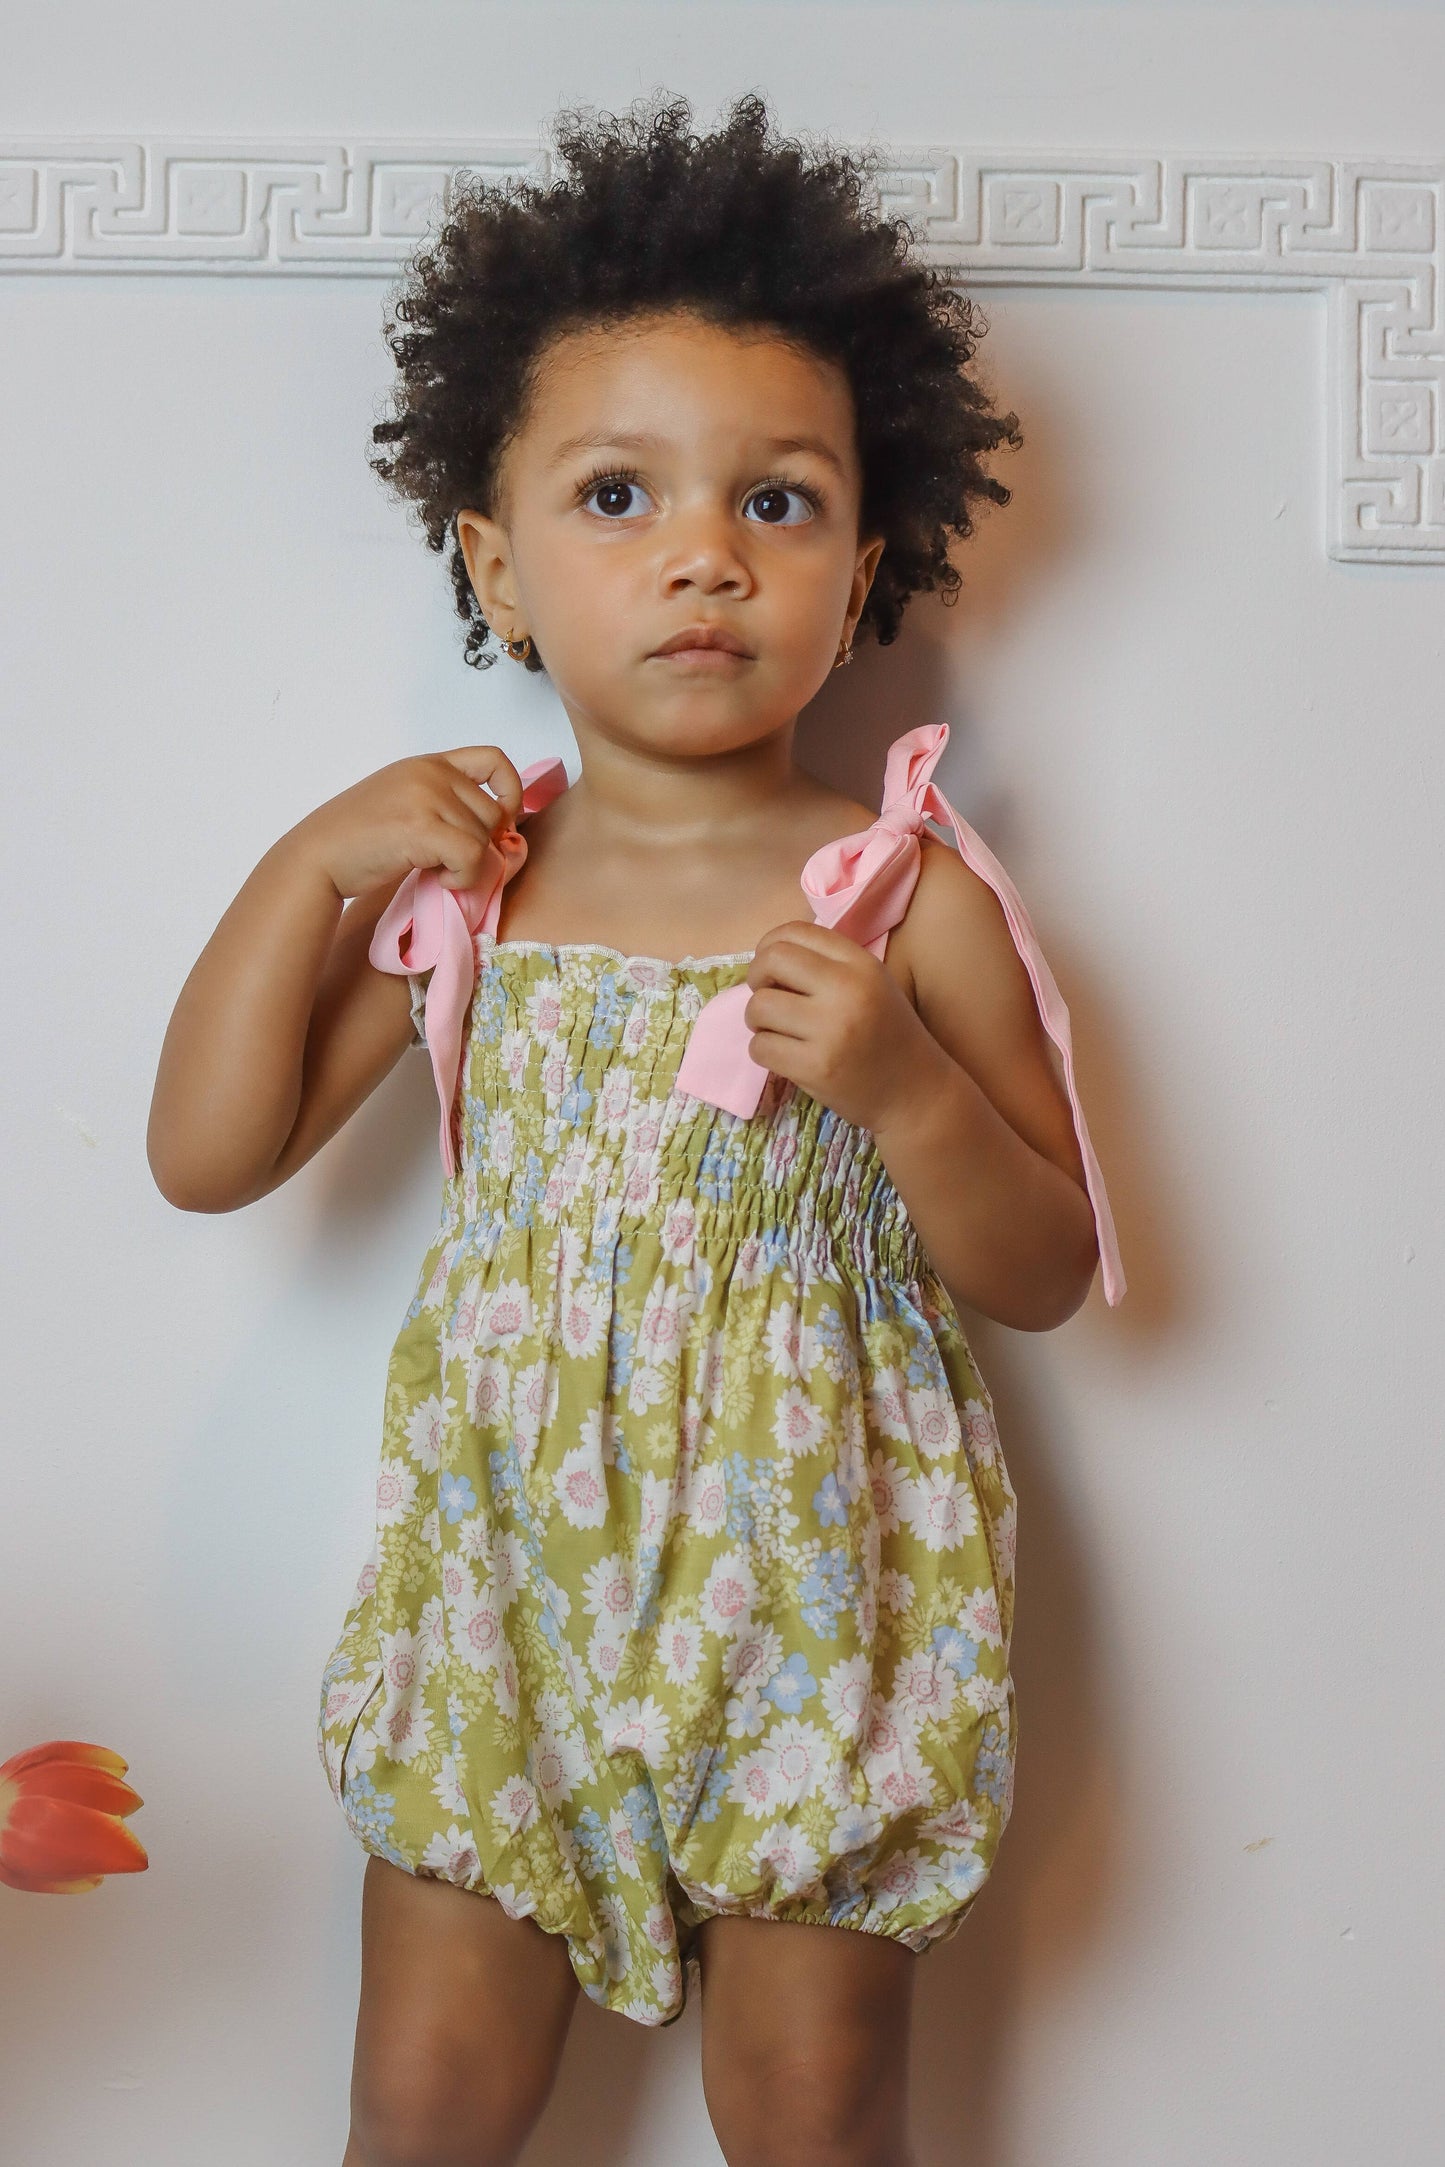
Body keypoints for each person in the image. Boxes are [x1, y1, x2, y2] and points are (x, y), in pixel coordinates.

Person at [148, 88, 1124, 2167]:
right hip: (504, 1591)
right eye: (617, 495)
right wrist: (308, 866)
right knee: (424, 2101)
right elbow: (210, 1154)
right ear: (493, 566)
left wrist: (899, 1082)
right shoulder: (476, 883)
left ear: (864, 571)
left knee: (815, 2108)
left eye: (778, 502)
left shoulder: (904, 898)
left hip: (819, 1595)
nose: (704, 554)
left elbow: (1049, 1268)